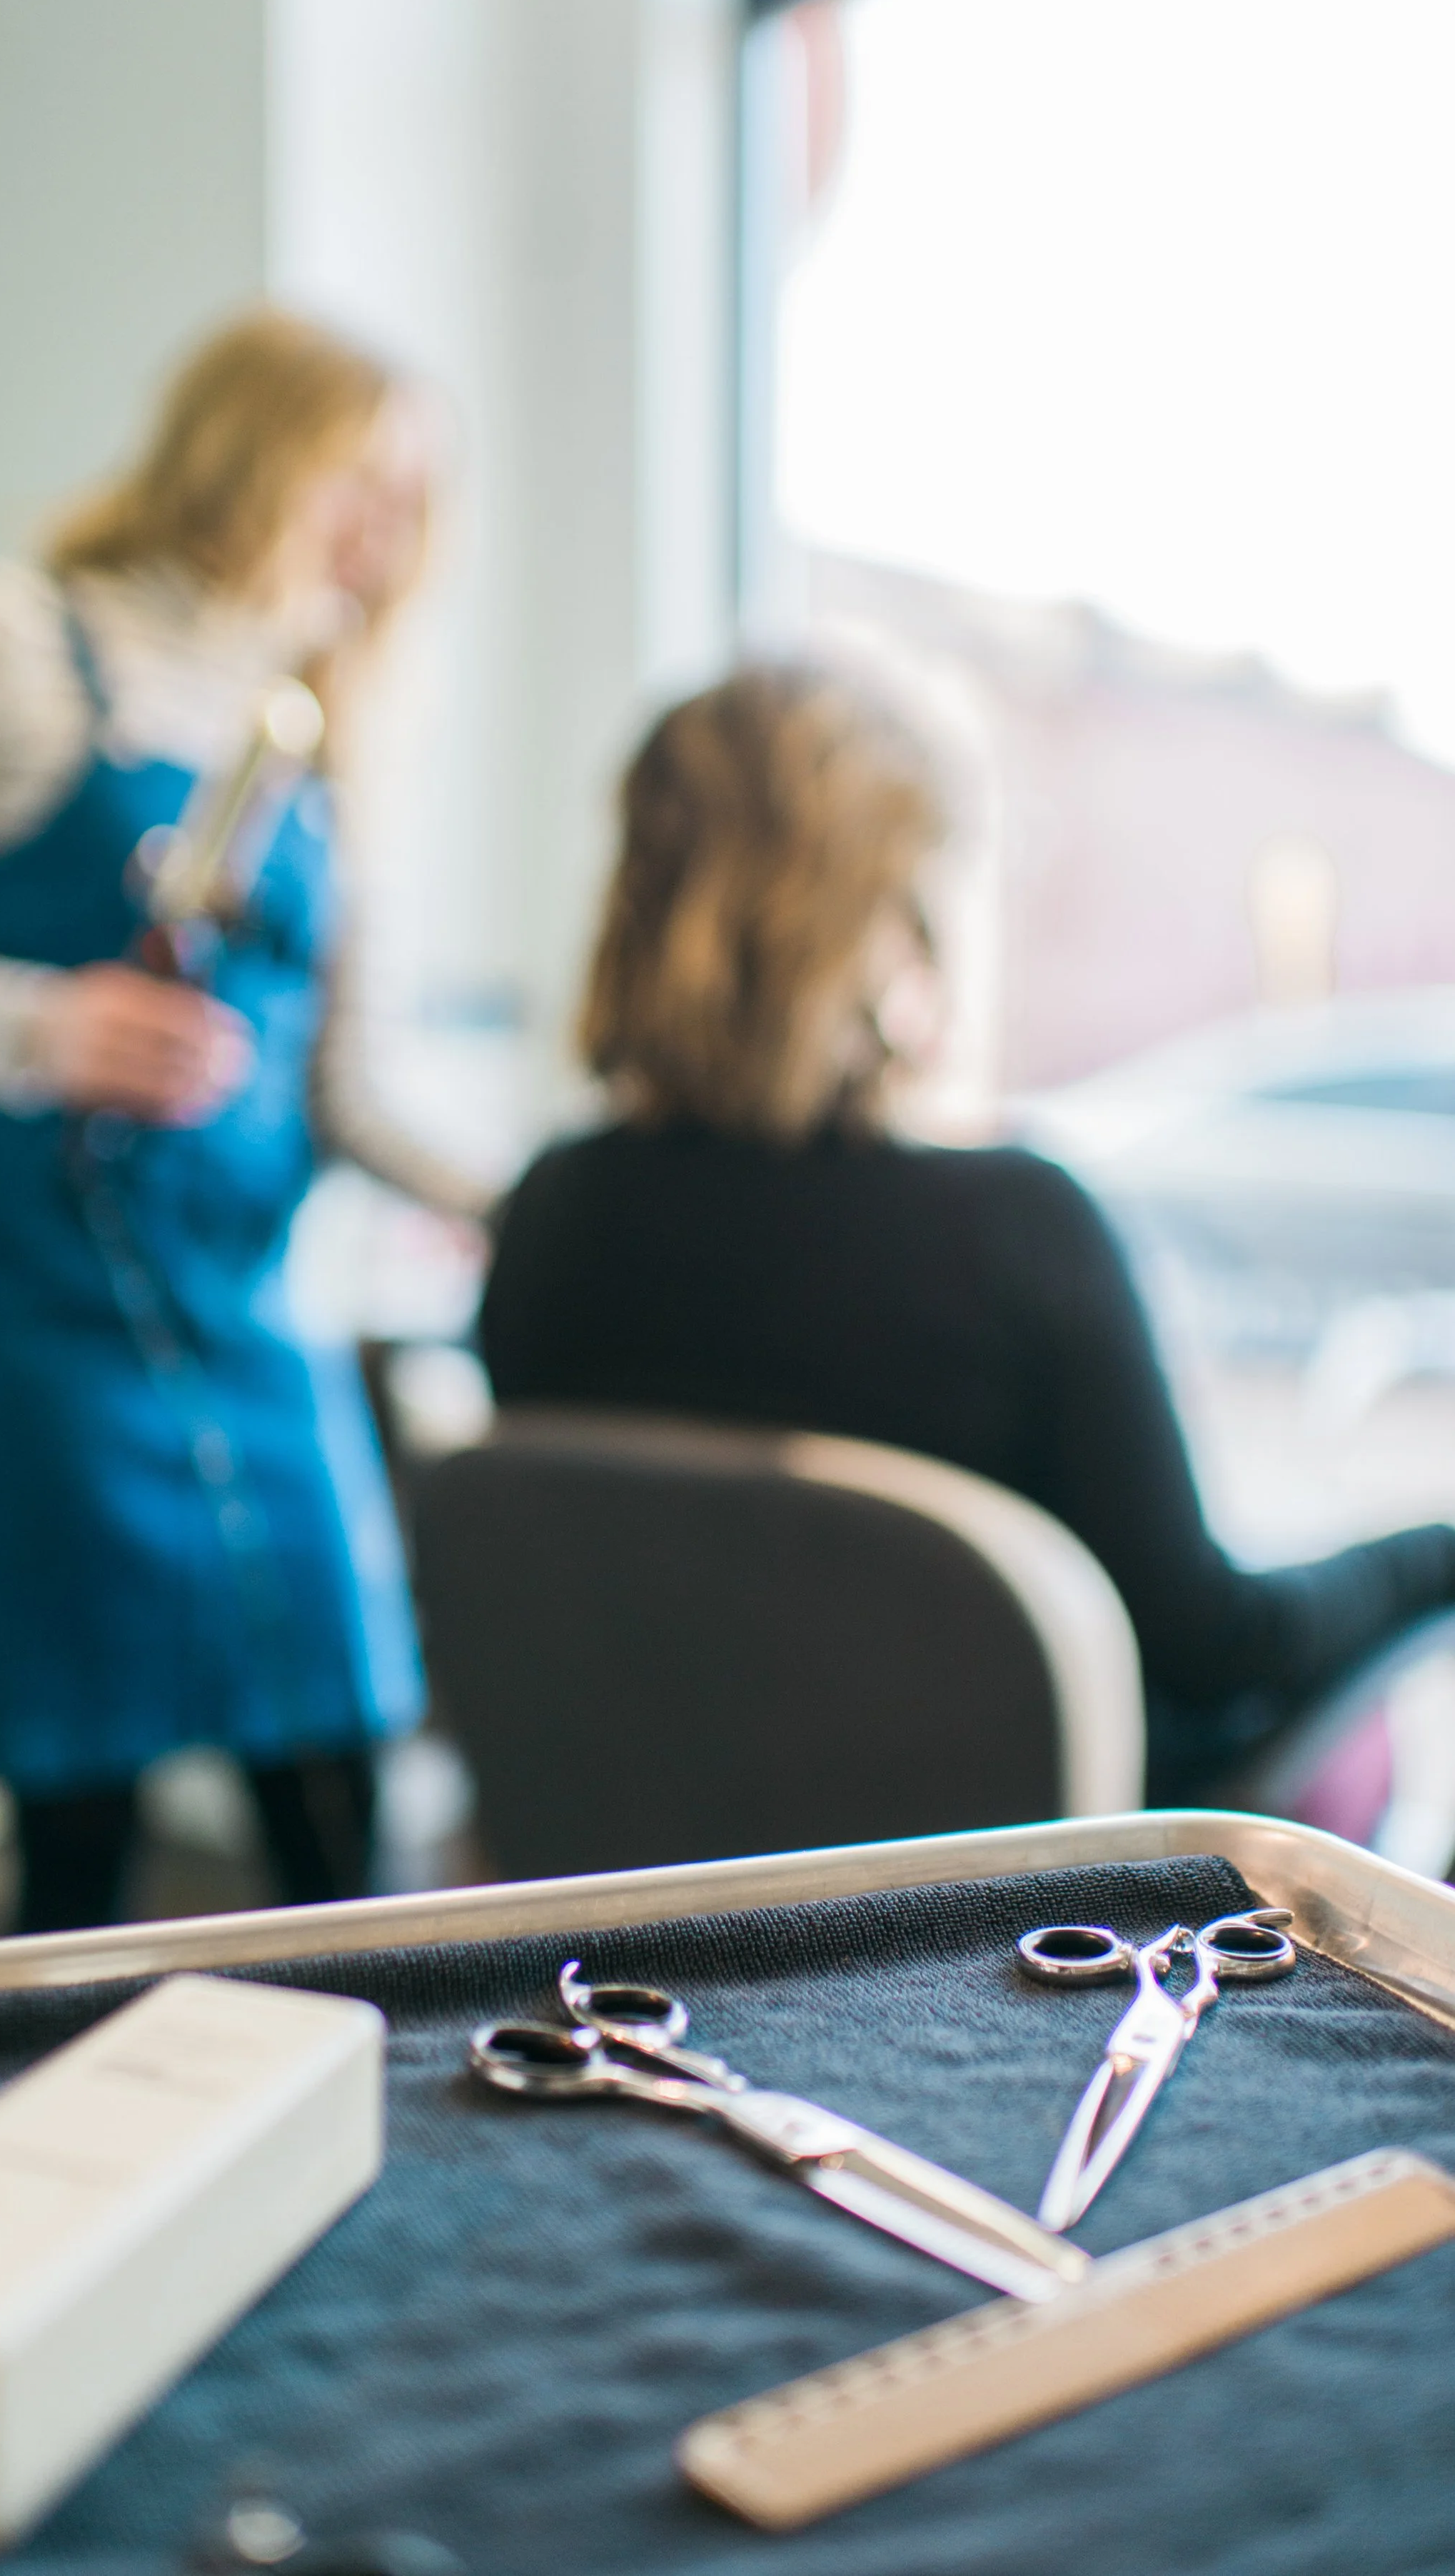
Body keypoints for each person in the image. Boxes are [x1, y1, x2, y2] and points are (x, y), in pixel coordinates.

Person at [0, 306, 488, 1928]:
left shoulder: (322, 711)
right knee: (76, 1850)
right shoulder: (14, 642)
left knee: (336, 1813)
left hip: (250, 1329)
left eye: (410, 504)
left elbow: (343, 1087)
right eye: (358, 483)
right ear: (250, 454)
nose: (382, 538)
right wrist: (40, 1025)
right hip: (45, 1326)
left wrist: (526, 1201)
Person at [480, 658, 1455, 1804]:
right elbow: (1213, 1645)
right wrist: (1436, 1550)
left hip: (667, 1901)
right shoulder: (1013, 1231)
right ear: (890, 932)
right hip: (1004, 1926)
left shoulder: (550, 1215)